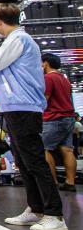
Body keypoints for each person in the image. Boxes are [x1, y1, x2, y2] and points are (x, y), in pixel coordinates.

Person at [0, 3, 66, 230]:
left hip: (23, 107)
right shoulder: (15, 40)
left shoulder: (19, 39)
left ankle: (54, 214)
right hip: (15, 107)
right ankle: (36, 208)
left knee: (35, 162)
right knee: (24, 162)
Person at [41, 53, 77, 193]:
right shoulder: (64, 79)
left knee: (44, 149)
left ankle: (53, 183)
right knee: (67, 150)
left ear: (46, 63)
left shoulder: (48, 78)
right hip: (69, 117)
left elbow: (45, 99)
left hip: (53, 118)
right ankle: (70, 182)